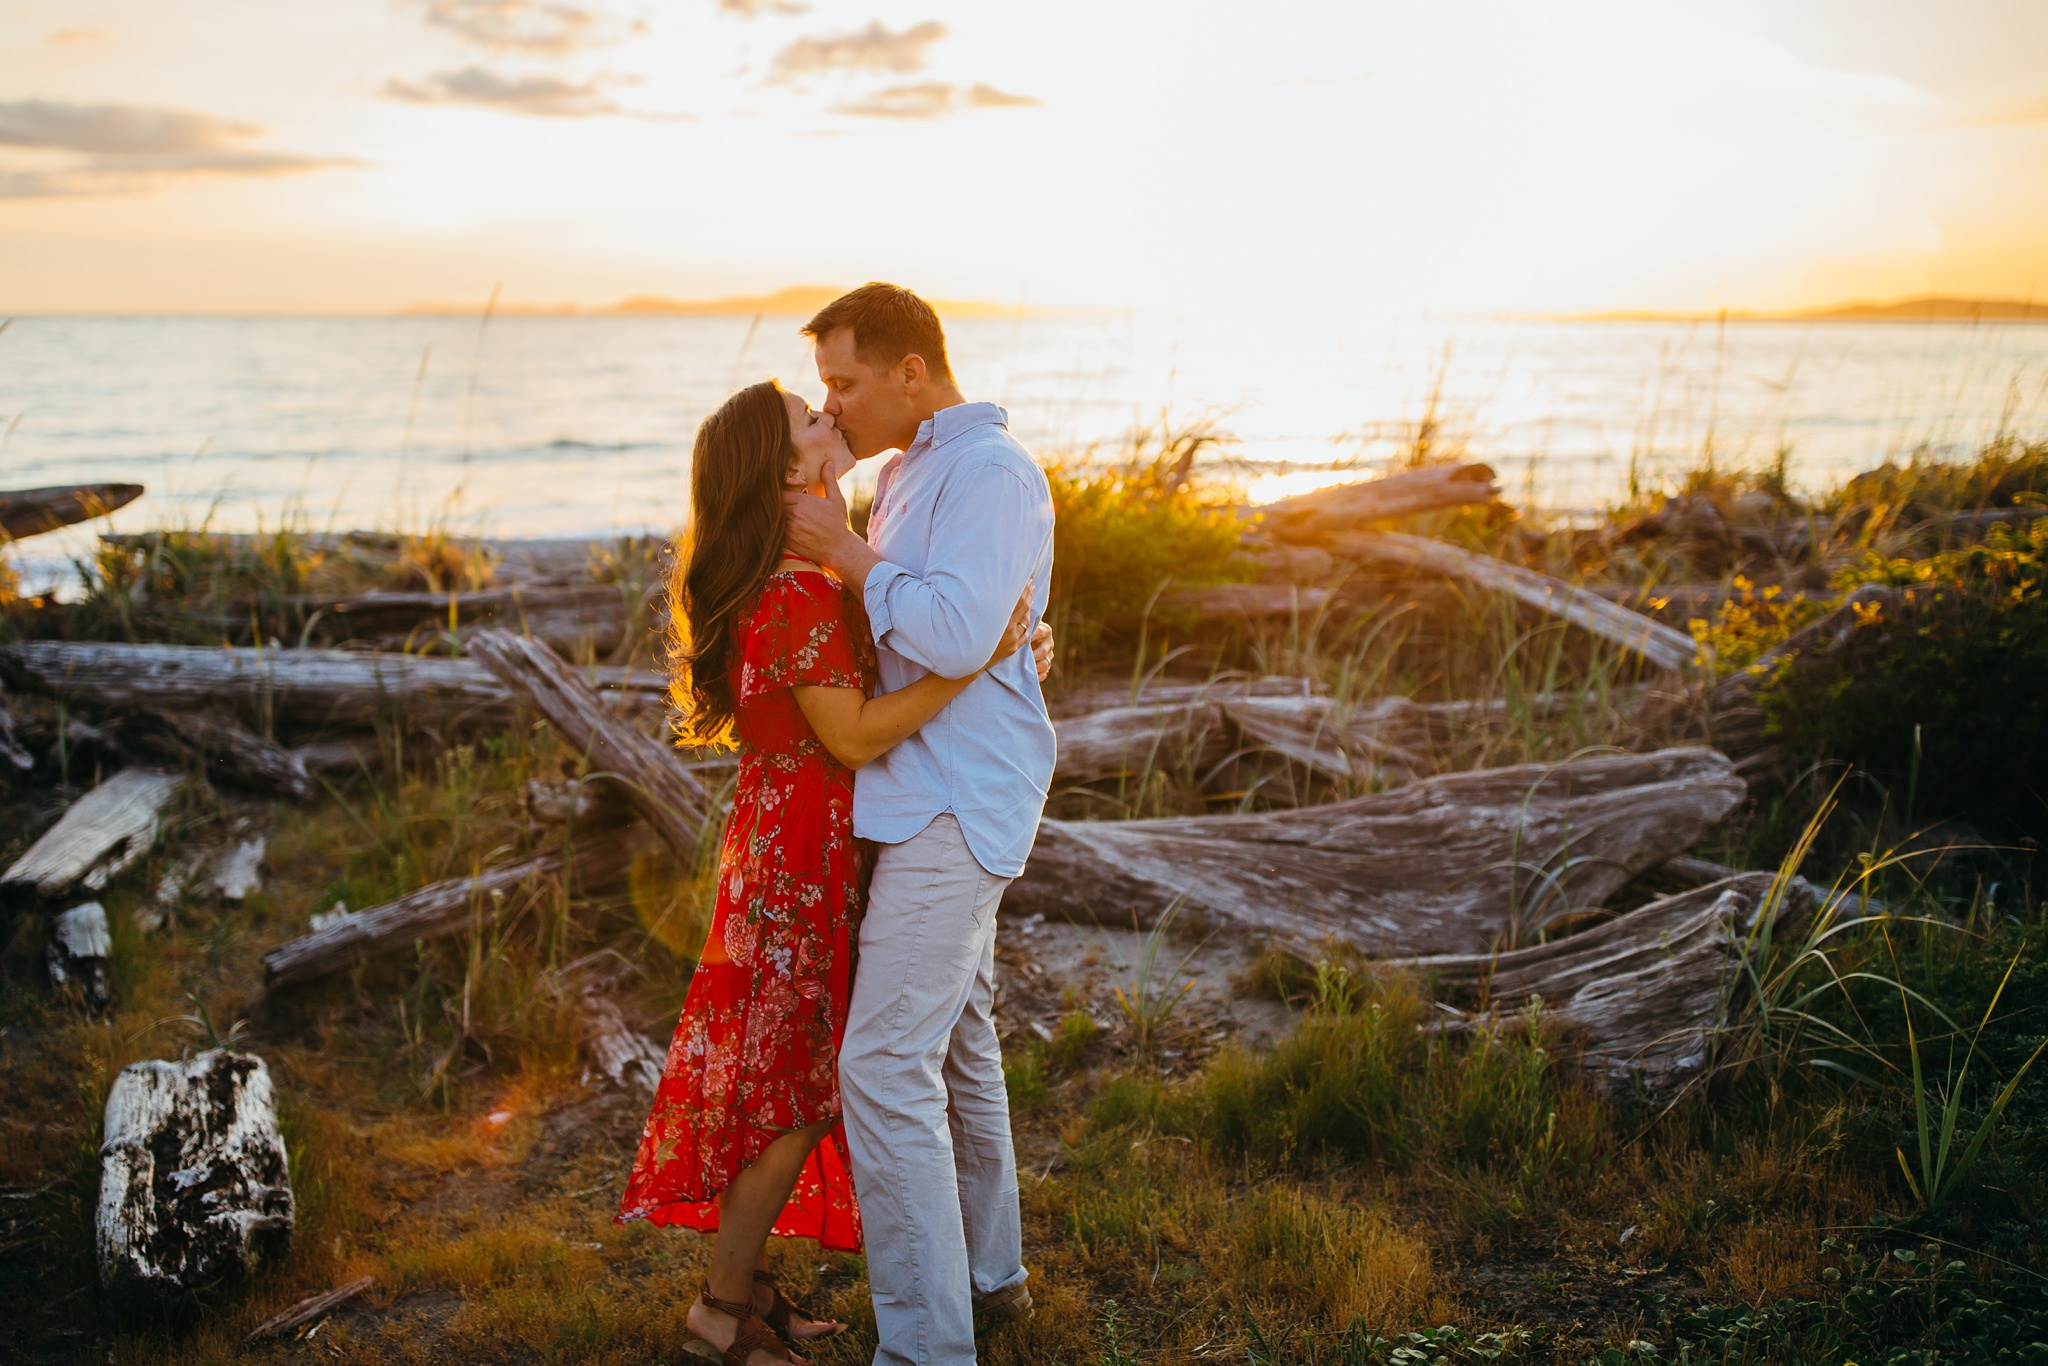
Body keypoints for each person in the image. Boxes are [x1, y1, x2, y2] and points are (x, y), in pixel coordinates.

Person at [615, 378, 1044, 1366]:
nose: (829, 416)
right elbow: (850, 736)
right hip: (803, 857)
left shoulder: (806, 567)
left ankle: (749, 1287)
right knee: (800, 1094)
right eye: (811, 417)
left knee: (787, 1080)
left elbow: (902, 627)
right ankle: (720, 1314)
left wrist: (1007, 633)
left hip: (797, 845)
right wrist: (970, 661)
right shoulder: (799, 587)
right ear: (783, 468)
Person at [782, 283, 1057, 1366]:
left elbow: (953, 631)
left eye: (843, 383)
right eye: (822, 390)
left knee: (882, 1064)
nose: (833, 405)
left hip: (954, 797)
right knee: (954, 1046)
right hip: (921, 786)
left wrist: (845, 554)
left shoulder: (989, 470)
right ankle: (993, 1282)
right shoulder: (907, 473)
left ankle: (926, 1350)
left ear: (910, 371)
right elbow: (977, 620)